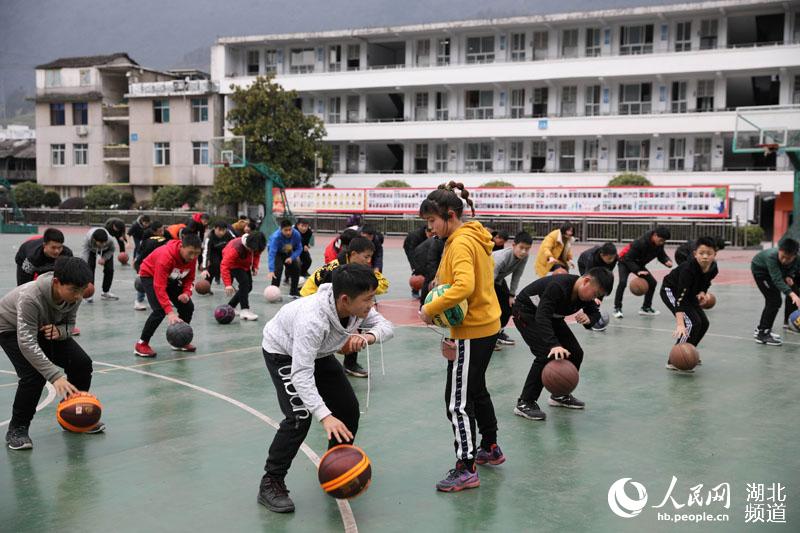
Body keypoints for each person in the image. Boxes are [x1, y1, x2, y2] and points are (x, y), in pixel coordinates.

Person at [258, 263, 393, 513]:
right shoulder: (313, 319)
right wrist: (325, 416)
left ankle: (336, 466)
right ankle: (271, 482)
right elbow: (301, 373)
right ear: (345, 299)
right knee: (299, 417)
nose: (371, 305)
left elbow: (387, 328)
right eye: (368, 299)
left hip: (319, 353)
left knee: (348, 409)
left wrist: (365, 337)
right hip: (283, 353)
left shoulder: (356, 307)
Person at [418, 181, 504, 493]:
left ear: (450, 215)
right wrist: (439, 284)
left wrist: (431, 308)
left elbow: (464, 287)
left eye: (432, 221)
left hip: (472, 329)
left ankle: (466, 467)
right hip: (487, 324)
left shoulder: (460, 243)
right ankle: (490, 446)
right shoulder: (471, 235)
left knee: (457, 402)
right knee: (476, 389)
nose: (430, 228)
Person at [1, 256, 102, 450]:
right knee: (33, 376)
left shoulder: (75, 294)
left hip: (44, 328)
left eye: (82, 291)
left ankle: (73, 415)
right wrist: (55, 376)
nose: (78, 296)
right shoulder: (31, 297)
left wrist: (60, 331)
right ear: (57, 282)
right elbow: (26, 342)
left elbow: (70, 324)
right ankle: (17, 429)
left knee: (81, 363)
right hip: (10, 329)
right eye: (74, 291)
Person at [511, 268, 614, 421]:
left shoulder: (584, 294)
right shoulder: (558, 286)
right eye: (595, 294)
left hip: (551, 317)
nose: (594, 298)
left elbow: (594, 313)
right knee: (546, 353)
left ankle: (560, 394)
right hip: (526, 312)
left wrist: (589, 318)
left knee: (575, 352)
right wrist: (553, 345)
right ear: (586, 281)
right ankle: (525, 402)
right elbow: (542, 316)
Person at [301, 236, 389, 377]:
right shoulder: (336, 271)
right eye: (366, 257)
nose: (369, 261)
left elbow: (383, 284)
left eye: (370, 257)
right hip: (310, 296)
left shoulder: (355, 269)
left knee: (356, 317)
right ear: (353, 254)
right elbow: (324, 295)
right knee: (322, 330)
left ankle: (349, 364)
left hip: (327, 299)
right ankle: (316, 362)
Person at [133, 233, 202, 357]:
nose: (193, 257)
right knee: (159, 310)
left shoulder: (192, 258)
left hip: (171, 277)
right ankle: (141, 344)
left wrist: (186, 293)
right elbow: (159, 286)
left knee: (187, 307)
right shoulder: (166, 257)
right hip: (150, 275)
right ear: (181, 246)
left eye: (197, 253)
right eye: (190, 253)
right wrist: (170, 312)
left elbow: (190, 278)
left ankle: (179, 340)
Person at [660, 236, 719, 369]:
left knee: (704, 323)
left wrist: (703, 292)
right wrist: (680, 324)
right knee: (692, 323)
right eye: (701, 253)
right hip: (672, 291)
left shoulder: (713, 268)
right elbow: (680, 298)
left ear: (715, 254)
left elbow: (706, 282)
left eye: (709, 253)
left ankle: (688, 352)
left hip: (689, 293)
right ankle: (674, 359)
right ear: (694, 254)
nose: (705, 256)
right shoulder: (688, 269)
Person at [613, 227, 673, 318]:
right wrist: (638, 271)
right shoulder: (640, 242)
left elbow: (661, 254)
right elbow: (628, 258)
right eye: (661, 240)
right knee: (622, 282)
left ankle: (646, 308)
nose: (662, 243)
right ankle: (617, 308)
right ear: (655, 235)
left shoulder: (659, 244)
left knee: (652, 283)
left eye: (664, 241)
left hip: (638, 264)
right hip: (625, 262)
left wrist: (666, 261)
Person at [751, 237, 800, 346]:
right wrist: (792, 295)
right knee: (774, 300)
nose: (784, 260)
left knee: (793, 289)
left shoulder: (797, 259)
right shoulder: (771, 257)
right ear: (779, 251)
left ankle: (768, 327)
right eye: (782, 257)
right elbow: (777, 279)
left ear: (794, 256)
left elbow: (794, 269)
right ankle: (762, 333)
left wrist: (789, 275)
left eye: (788, 259)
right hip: (761, 272)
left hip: (777, 272)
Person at [492, 231, 533, 349]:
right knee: (491, 308)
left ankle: (497, 334)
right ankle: (487, 338)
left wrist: (511, 295)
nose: (524, 251)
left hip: (498, 280)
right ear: (514, 245)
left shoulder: (524, 257)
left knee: (509, 307)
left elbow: (517, 275)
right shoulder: (501, 257)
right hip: (485, 279)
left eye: (527, 249)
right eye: (521, 248)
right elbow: (489, 281)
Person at [222, 231, 268, 321]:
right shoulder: (234, 249)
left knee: (248, 287)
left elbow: (256, 255)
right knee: (244, 283)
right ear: (248, 244)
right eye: (252, 250)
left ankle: (231, 306)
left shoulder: (257, 245)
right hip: (234, 265)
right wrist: (228, 284)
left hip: (244, 265)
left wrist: (255, 266)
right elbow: (225, 265)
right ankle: (244, 310)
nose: (254, 252)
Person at [133, 222, 166, 310]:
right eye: (160, 231)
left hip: (154, 264)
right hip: (144, 264)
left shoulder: (163, 240)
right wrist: (138, 268)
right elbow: (140, 257)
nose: (162, 232)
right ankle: (138, 301)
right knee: (142, 282)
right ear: (154, 232)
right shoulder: (150, 243)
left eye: (163, 230)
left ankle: (163, 300)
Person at [268, 220, 303, 298]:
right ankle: (273, 292)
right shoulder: (276, 237)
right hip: (277, 253)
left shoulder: (296, 234)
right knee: (278, 270)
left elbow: (299, 248)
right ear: (281, 229)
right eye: (285, 230)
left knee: (296, 268)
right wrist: (271, 270)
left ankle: (293, 292)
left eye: (290, 229)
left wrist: (292, 257)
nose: (288, 232)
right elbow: (272, 253)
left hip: (288, 251)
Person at [81, 227, 117, 302]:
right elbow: (85, 253)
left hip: (106, 250)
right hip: (91, 250)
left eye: (104, 242)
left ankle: (105, 292)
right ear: (94, 240)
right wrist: (84, 265)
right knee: (89, 269)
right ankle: (89, 293)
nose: (103, 244)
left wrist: (104, 258)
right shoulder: (88, 239)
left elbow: (112, 250)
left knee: (109, 269)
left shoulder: (110, 240)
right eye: (101, 243)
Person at [200, 222, 233, 286]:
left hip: (225, 251)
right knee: (214, 265)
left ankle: (229, 285)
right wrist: (204, 268)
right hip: (213, 252)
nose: (221, 233)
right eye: (219, 230)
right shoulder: (209, 237)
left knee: (229, 267)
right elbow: (206, 252)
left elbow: (235, 242)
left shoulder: (229, 234)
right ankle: (207, 284)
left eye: (223, 230)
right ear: (215, 228)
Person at [404, 225, 433, 298]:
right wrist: (414, 267)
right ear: (426, 231)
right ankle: (415, 290)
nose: (432, 236)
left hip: (422, 250)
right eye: (431, 235)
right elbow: (411, 254)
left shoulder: (429, 237)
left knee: (426, 265)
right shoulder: (415, 236)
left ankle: (425, 288)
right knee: (418, 269)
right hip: (409, 247)